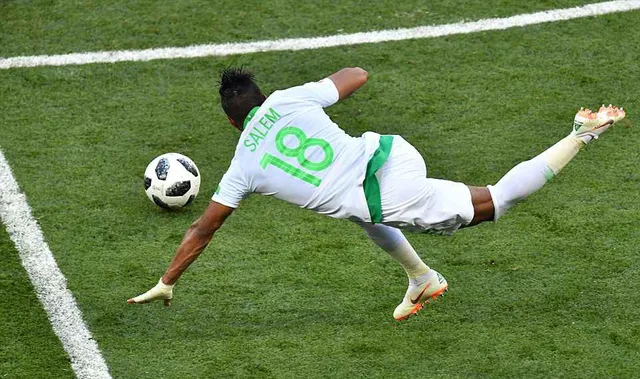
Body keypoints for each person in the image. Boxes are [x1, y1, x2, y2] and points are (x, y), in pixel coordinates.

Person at [128, 67, 625, 321]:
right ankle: (421, 278)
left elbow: (203, 228)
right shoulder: (286, 99)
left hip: (390, 191)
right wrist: (321, 93)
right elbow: (357, 76)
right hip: (390, 151)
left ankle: (583, 133)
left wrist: (169, 279)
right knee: (360, 212)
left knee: (494, 202)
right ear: (260, 98)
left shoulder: (242, 168)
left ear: (231, 121)